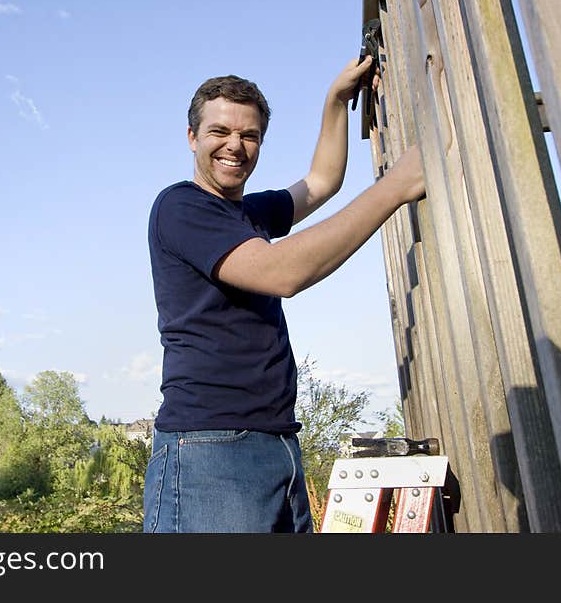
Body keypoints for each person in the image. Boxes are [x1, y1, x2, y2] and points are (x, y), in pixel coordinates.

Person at [143, 54, 425, 533]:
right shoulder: (182, 207)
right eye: (219, 132)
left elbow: (322, 182)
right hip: (210, 453)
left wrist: (335, 101)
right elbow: (282, 273)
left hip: (277, 443)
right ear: (192, 138)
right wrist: (394, 188)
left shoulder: (248, 214)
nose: (235, 145)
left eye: (249, 135)